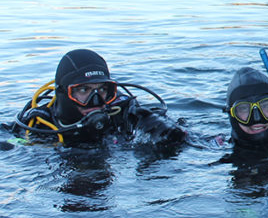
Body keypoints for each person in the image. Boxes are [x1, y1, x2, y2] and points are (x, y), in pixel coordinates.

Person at [10, 49, 186, 146]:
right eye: (84, 90)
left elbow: (190, 138)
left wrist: (164, 129)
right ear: (64, 94)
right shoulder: (38, 126)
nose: (96, 101)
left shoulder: (121, 113)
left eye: (102, 90)